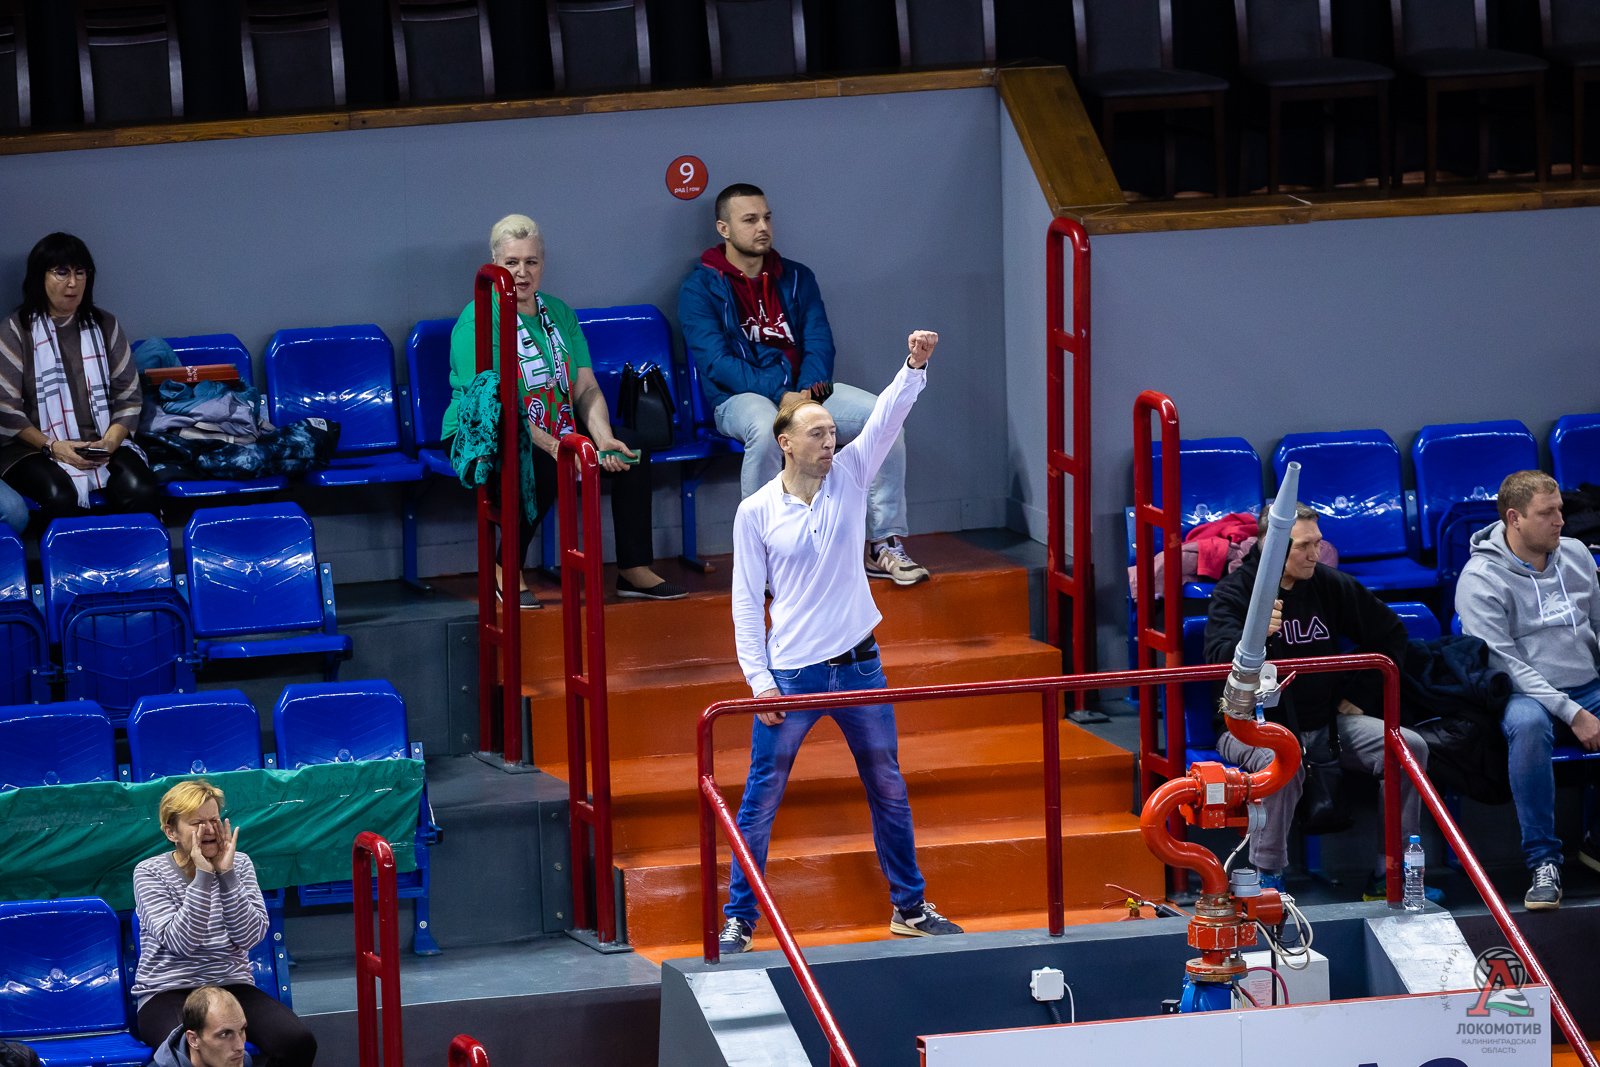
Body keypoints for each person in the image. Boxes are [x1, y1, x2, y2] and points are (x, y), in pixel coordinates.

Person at [718, 329, 961, 953]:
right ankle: (739, 918)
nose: (831, 442)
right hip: (792, 676)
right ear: (785, 443)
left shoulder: (850, 474)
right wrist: (759, 682)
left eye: (832, 433)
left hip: (860, 666)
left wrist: (912, 367)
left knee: (889, 787)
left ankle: (909, 907)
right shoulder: (755, 513)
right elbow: (746, 603)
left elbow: (885, 418)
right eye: (818, 434)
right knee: (760, 798)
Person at [678, 183, 929, 587]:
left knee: (884, 420)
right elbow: (716, 362)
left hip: (807, 391)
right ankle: (763, 557)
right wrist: (783, 395)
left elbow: (819, 342)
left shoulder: (796, 277)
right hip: (739, 397)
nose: (763, 227)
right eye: (750, 220)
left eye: (767, 217)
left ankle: (882, 544)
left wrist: (806, 396)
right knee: (766, 431)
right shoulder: (699, 288)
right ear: (724, 229)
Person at [441, 213, 685, 608]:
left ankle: (634, 569)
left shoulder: (558, 312)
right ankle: (506, 566)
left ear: (543, 264)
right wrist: (557, 448)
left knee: (632, 447)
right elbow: (493, 405)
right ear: (494, 264)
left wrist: (603, 438)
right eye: (511, 262)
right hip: (482, 431)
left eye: (531, 262)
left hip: (558, 424)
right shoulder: (478, 319)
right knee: (537, 461)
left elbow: (585, 387)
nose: (522, 272)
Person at [1205, 503, 1433, 901]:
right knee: (1284, 759)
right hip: (1249, 726)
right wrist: (1253, 638)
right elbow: (1216, 660)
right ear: (1272, 546)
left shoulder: (1329, 584)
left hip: (1325, 722)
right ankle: (1267, 880)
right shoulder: (1236, 593)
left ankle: (1392, 873)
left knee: (1408, 747)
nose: (1315, 554)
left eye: (1318, 543)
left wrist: (1358, 695)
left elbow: (1391, 635)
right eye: (1304, 546)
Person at [1456, 469, 1600, 911]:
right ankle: (1543, 861)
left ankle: (1596, 841)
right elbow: (1504, 663)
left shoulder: (1576, 554)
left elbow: (1598, 625)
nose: (1560, 521)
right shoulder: (1480, 578)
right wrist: (1572, 712)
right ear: (1514, 518)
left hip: (1587, 684)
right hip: (1525, 694)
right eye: (1547, 513)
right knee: (1529, 726)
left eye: (1560, 510)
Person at [131, 779, 317, 1066]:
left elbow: (250, 936)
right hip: (168, 990)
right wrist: (204, 877)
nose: (208, 829)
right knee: (190, 1050)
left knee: (297, 1042)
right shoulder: (149, 872)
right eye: (197, 823)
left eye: (214, 820)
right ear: (171, 832)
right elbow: (182, 943)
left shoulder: (239, 864)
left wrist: (227, 875)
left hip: (231, 984)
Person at [0, 232, 160, 519]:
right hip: (31, 448)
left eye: (80, 272)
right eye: (61, 272)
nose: (73, 283)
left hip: (100, 441)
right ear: (40, 277)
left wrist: (109, 442)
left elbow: (129, 397)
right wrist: (53, 447)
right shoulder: (15, 330)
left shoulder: (105, 324)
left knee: (141, 489)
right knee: (61, 495)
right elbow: (6, 409)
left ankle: (126, 549)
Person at [151, 986, 253, 1067]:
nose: (240, 1047)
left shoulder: (242, 1061)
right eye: (224, 1034)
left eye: (242, 1030)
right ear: (193, 1040)